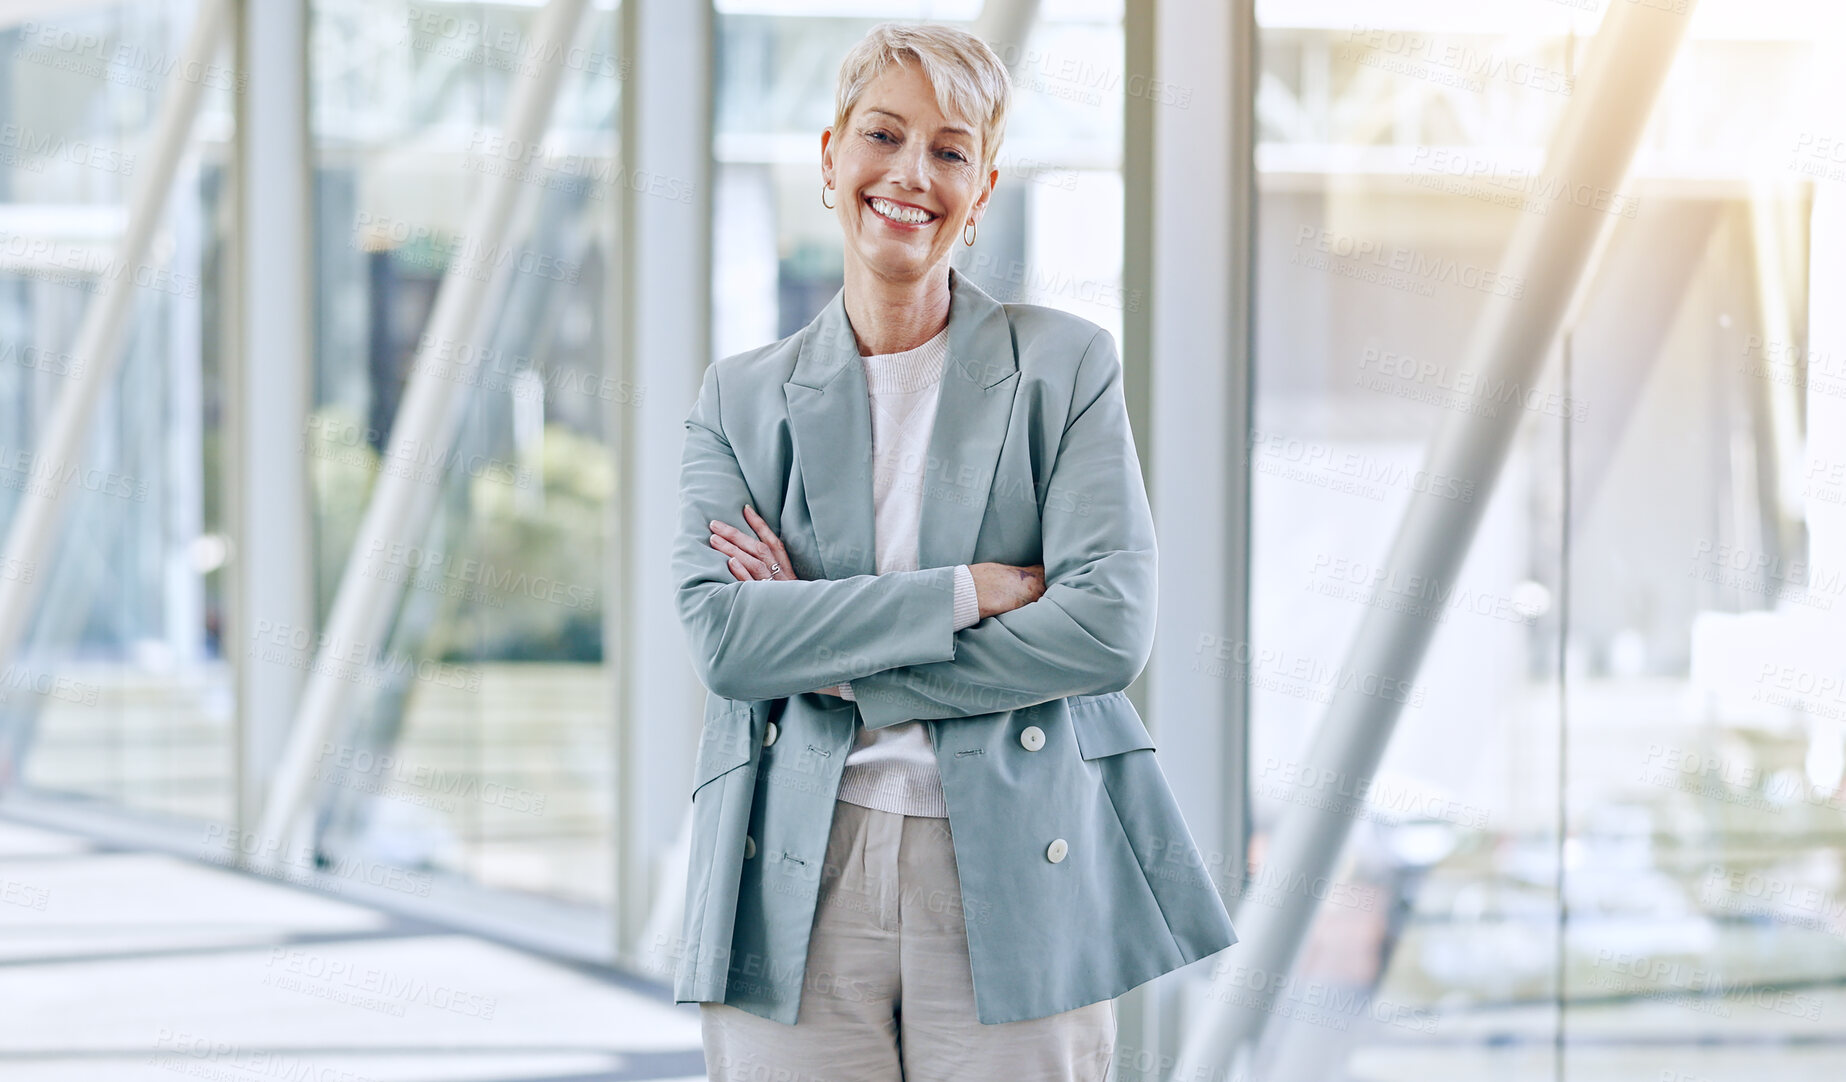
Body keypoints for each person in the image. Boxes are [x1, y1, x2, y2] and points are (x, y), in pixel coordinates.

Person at [672, 22, 1237, 1081]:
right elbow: (727, 638)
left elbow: (1107, 625)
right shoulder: (738, 400)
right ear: (832, 153)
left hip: (1016, 864)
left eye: (949, 150)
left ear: (980, 193)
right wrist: (964, 592)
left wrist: (834, 655)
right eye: (883, 135)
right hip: (791, 863)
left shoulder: (1064, 366)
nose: (910, 173)